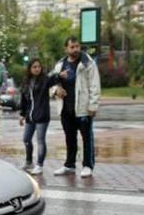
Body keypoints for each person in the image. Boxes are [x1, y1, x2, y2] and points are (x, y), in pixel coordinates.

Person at [50, 36, 102, 178]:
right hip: (65, 108)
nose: (75, 49)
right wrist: (56, 91)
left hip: (83, 108)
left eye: (77, 46)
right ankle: (69, 165)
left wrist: (93, 105)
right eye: (72, 47)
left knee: (87, 138)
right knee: (69, 138)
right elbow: (52, 84)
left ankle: (87, 165)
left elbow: (95, 85)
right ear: (66, 49)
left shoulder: (87, 63)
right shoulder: (60, 65)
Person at [19, 58, 59, 175]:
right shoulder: (26, 82)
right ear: (30, 69)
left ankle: (39, 165)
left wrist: (60, 75)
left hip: (42, 116)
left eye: (39, 67)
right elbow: (24, 100)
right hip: (30, 116)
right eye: (34, 67)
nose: (37, 69)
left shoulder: (45, 80)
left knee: (40, 141)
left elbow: (54, 79)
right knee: (26, 139)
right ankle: (29, 162)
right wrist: (22, 115)